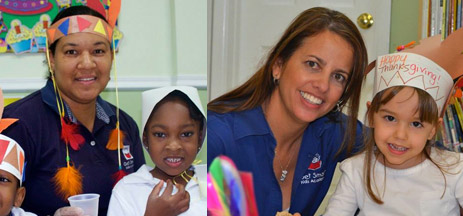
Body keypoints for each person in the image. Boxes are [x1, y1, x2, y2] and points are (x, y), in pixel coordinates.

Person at [207, 7, 366, 215]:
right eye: (313, 64)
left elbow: (400, 144)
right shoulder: (218, 138)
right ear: (278, 65)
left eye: (338, 77)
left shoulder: (331, 131)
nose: (323, 85)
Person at [0, 3, 145, 215]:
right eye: (71, 52)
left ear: (111, 57)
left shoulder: (124, 124)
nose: (87, 63)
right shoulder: (18, 123)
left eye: (98, 51)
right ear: (51, 59)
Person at [324, 28, 463, 215]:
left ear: (433, 129)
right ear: (371, 115)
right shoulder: (356, 170)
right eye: (390, 118)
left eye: (416, 124)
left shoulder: (452, 170)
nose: (400, 135)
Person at [108, 87, 207, 215]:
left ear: (200, 138)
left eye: (186, 134)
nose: (173, 146)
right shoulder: (127, 189)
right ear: (146, 139)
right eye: (160, 135)